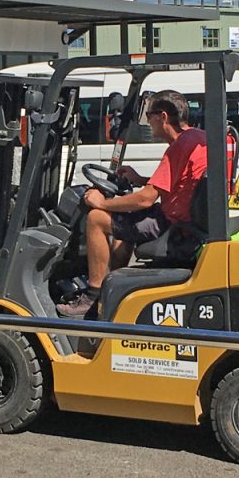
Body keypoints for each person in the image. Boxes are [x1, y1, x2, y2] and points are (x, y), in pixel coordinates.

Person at [57, 90, 208, 317]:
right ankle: (114, 289)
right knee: (122, 223)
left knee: (96, 219)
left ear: (163, 117)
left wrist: (103, 203)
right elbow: (179, 183)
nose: (147, 121)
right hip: (183, 219)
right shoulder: (197, 138)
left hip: (172, 224)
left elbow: (146, 198)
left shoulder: (178, 147)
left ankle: (93, 295)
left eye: (148, 115)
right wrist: (140, 180)